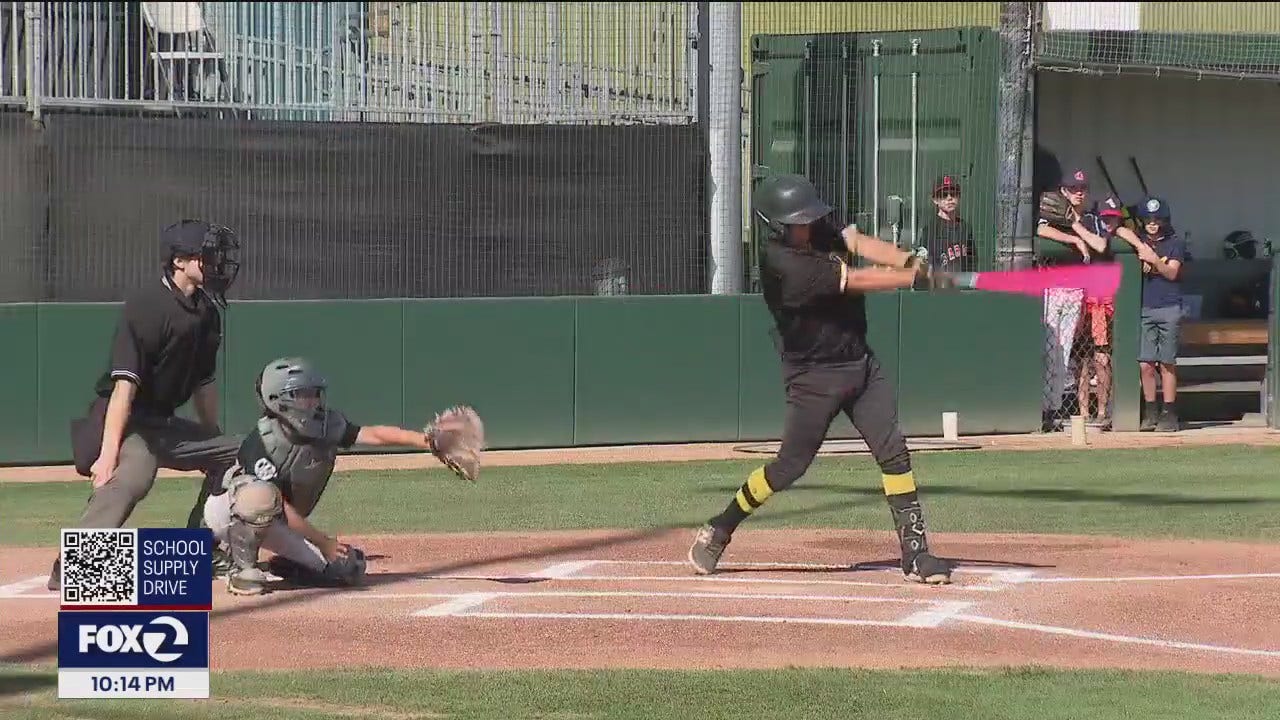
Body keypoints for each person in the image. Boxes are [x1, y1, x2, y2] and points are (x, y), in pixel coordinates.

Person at [687, 174, 959, 585]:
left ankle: (916, 554)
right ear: (777, 226)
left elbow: (858, 242)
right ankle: (721, 527)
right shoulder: (785, 265)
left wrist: (907, 261)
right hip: (813, 377)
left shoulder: (815, 232)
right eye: (799, 221)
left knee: (894, 452)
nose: (808, 225)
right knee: (788, 467)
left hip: (860, 365)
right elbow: (859, 279)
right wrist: (915, 279)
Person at [48, 219, 243, 592]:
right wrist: (107, 456)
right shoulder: (147, 306)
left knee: (236, 453)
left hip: (163, 423)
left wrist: (210, 438)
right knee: (134, 476)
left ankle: (201, 548)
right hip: (126, 419)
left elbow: (204, 385)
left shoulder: (207, 313)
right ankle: (75, 565)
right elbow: (124, 388)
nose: (217, 264)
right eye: (207, 256)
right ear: (180, 262)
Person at [207, 356, 484, 595]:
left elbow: (373, 434)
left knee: (346, 569)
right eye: (303, 394)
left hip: (276, 521)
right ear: (278, 400)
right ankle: (241, 569)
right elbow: (281, 505)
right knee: (261, 497)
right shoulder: (263, 440)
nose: (313, 401)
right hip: (229, 514)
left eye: (314, 393)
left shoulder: (325, 425)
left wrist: (426, 441)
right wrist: (323, 542)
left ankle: (290, 565)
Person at [1034, 169, 1111, 431]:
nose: (1078, 193)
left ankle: (1052, 411)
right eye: (1072, 189)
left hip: (1075, 291)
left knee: (1063, 354)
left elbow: (1100, 245)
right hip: (1051, 290)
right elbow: (1041, 232)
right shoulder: (1052, 216)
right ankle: (1042, 408)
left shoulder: (1089, 219)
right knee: (1047, 351)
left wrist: (1076, 226)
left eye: (1082, 189)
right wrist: (1071, 237)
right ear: (1063, 191)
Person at [1117, 197, 1185, 432]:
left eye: (1157, 220)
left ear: (1164, 221)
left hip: (1169, 307)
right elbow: (1119, 230)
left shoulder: (1175, 243)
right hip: (1145, 308)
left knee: (1167, 363)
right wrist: (1141, 247)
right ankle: (1150, 411)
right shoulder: (1141, 241)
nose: (1153, 224)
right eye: (1148, 219)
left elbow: (1172, 273)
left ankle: (1169, 412)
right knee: (1145, 364)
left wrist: (1154, 260)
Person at [917, 174, 976, 272]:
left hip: (963, 284)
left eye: (953, 194)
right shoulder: (930, 230)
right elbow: (925, 266)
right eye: (944, 195)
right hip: (941, 285)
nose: (949, 198)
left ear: (959, 197)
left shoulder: (965, 227)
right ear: (935, 200)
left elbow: (972, 261)